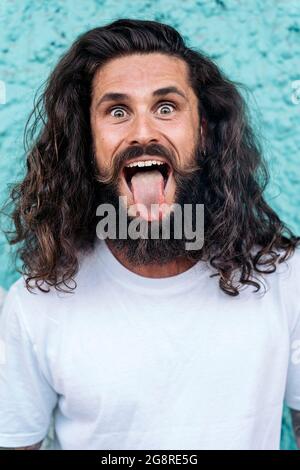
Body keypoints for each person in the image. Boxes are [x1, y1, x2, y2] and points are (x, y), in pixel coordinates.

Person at [0, 18, 299, 450]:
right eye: (117, 111)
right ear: (88, 140)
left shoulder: (286, 280)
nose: (143, 133)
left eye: (166, 108)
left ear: (201, 132)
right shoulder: (37, 305)